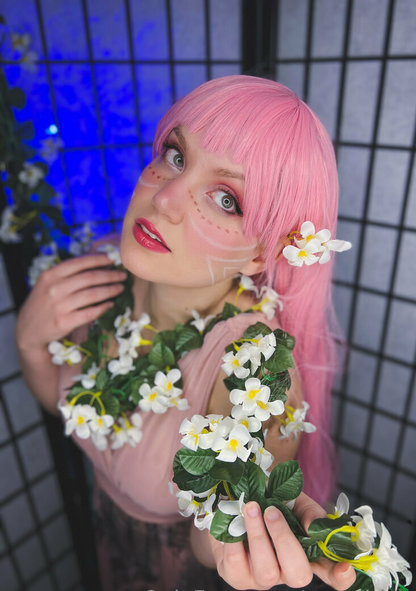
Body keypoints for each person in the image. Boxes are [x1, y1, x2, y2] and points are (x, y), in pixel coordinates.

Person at [15, 75, 355, 591]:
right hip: (104, 536)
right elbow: (65, 405)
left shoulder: (256, 368)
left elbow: (211, 533)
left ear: (262, 253)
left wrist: (237, 538)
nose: (166, 198)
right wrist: (30, 342)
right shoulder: (97, 274)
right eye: (176, 156)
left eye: (226, 199)